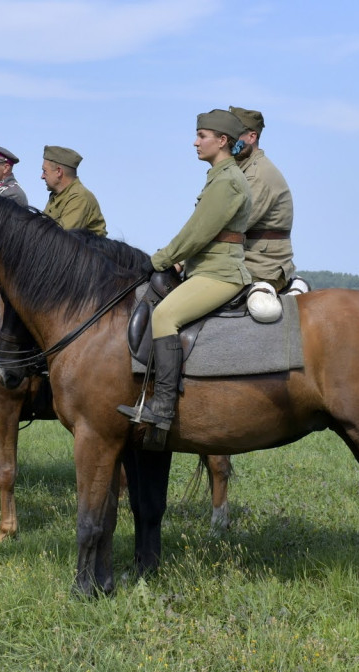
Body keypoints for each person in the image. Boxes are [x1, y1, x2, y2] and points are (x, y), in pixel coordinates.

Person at [117, 110, 252, 433]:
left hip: (220, 273)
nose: (195, 142)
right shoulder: (219, 177)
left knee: (165, 316)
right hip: (205, 268)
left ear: (222, 141)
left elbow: (197, 232)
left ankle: (162, 407)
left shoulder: (228, 181)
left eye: (202, 136)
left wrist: (160, 260)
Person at [228, 106, 297, 293]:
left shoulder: (257, 175)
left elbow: (230, 227)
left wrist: (182, 260)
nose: (228, 139)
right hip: (244, 259)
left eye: (234, 134)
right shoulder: (243, 170)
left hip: (262, 266)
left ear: (251, 137)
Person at [41, 145, 107, 235]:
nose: (42, 176)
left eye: (45, 171)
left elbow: (61, 239)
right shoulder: (57, 195)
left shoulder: (79, 197)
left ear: (59, 171)